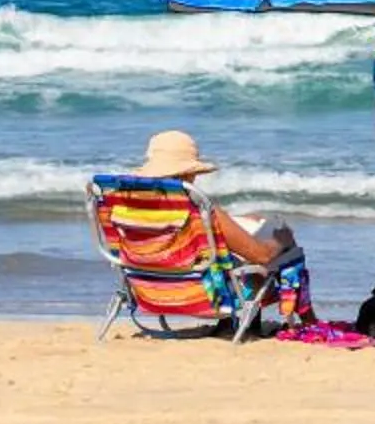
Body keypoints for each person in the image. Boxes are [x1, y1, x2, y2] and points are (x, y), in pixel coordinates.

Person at [132, 130, 312, 321]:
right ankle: (308, 320)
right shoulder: (200, 211)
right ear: (189, 173)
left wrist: (232, 222)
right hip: (210, 299)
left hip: (152, 294)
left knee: (238, 239)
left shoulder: (131, 208)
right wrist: (282, 239)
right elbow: (261, 255)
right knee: (282, 243)